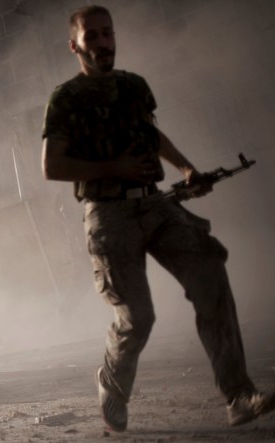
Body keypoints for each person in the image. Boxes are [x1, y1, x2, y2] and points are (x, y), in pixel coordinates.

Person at [41, 5, 275, 432]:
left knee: (210, 274)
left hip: (155, 203)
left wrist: (188, 170)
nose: (102, 42)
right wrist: (116, 169)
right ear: (75, 45)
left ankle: (238, 395)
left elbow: (152, 135)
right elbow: (52, 165)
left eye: (107, 34)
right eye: (91, 36)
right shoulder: (66, 99)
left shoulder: (133, 86)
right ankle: (111, 381)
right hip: (107, 215)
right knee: (139, 318)